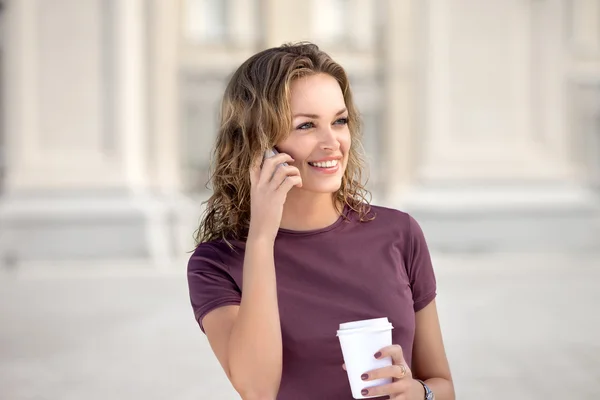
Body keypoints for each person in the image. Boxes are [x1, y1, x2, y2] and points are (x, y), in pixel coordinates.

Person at [187, 42, 454, 400]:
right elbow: (257, 389)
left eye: (339, 121)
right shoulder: (216, 263)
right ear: (258, 142)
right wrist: (262, 238)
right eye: (306, 126)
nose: (332, 142)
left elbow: (443, 385)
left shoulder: (399, 234)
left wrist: (420, 394)